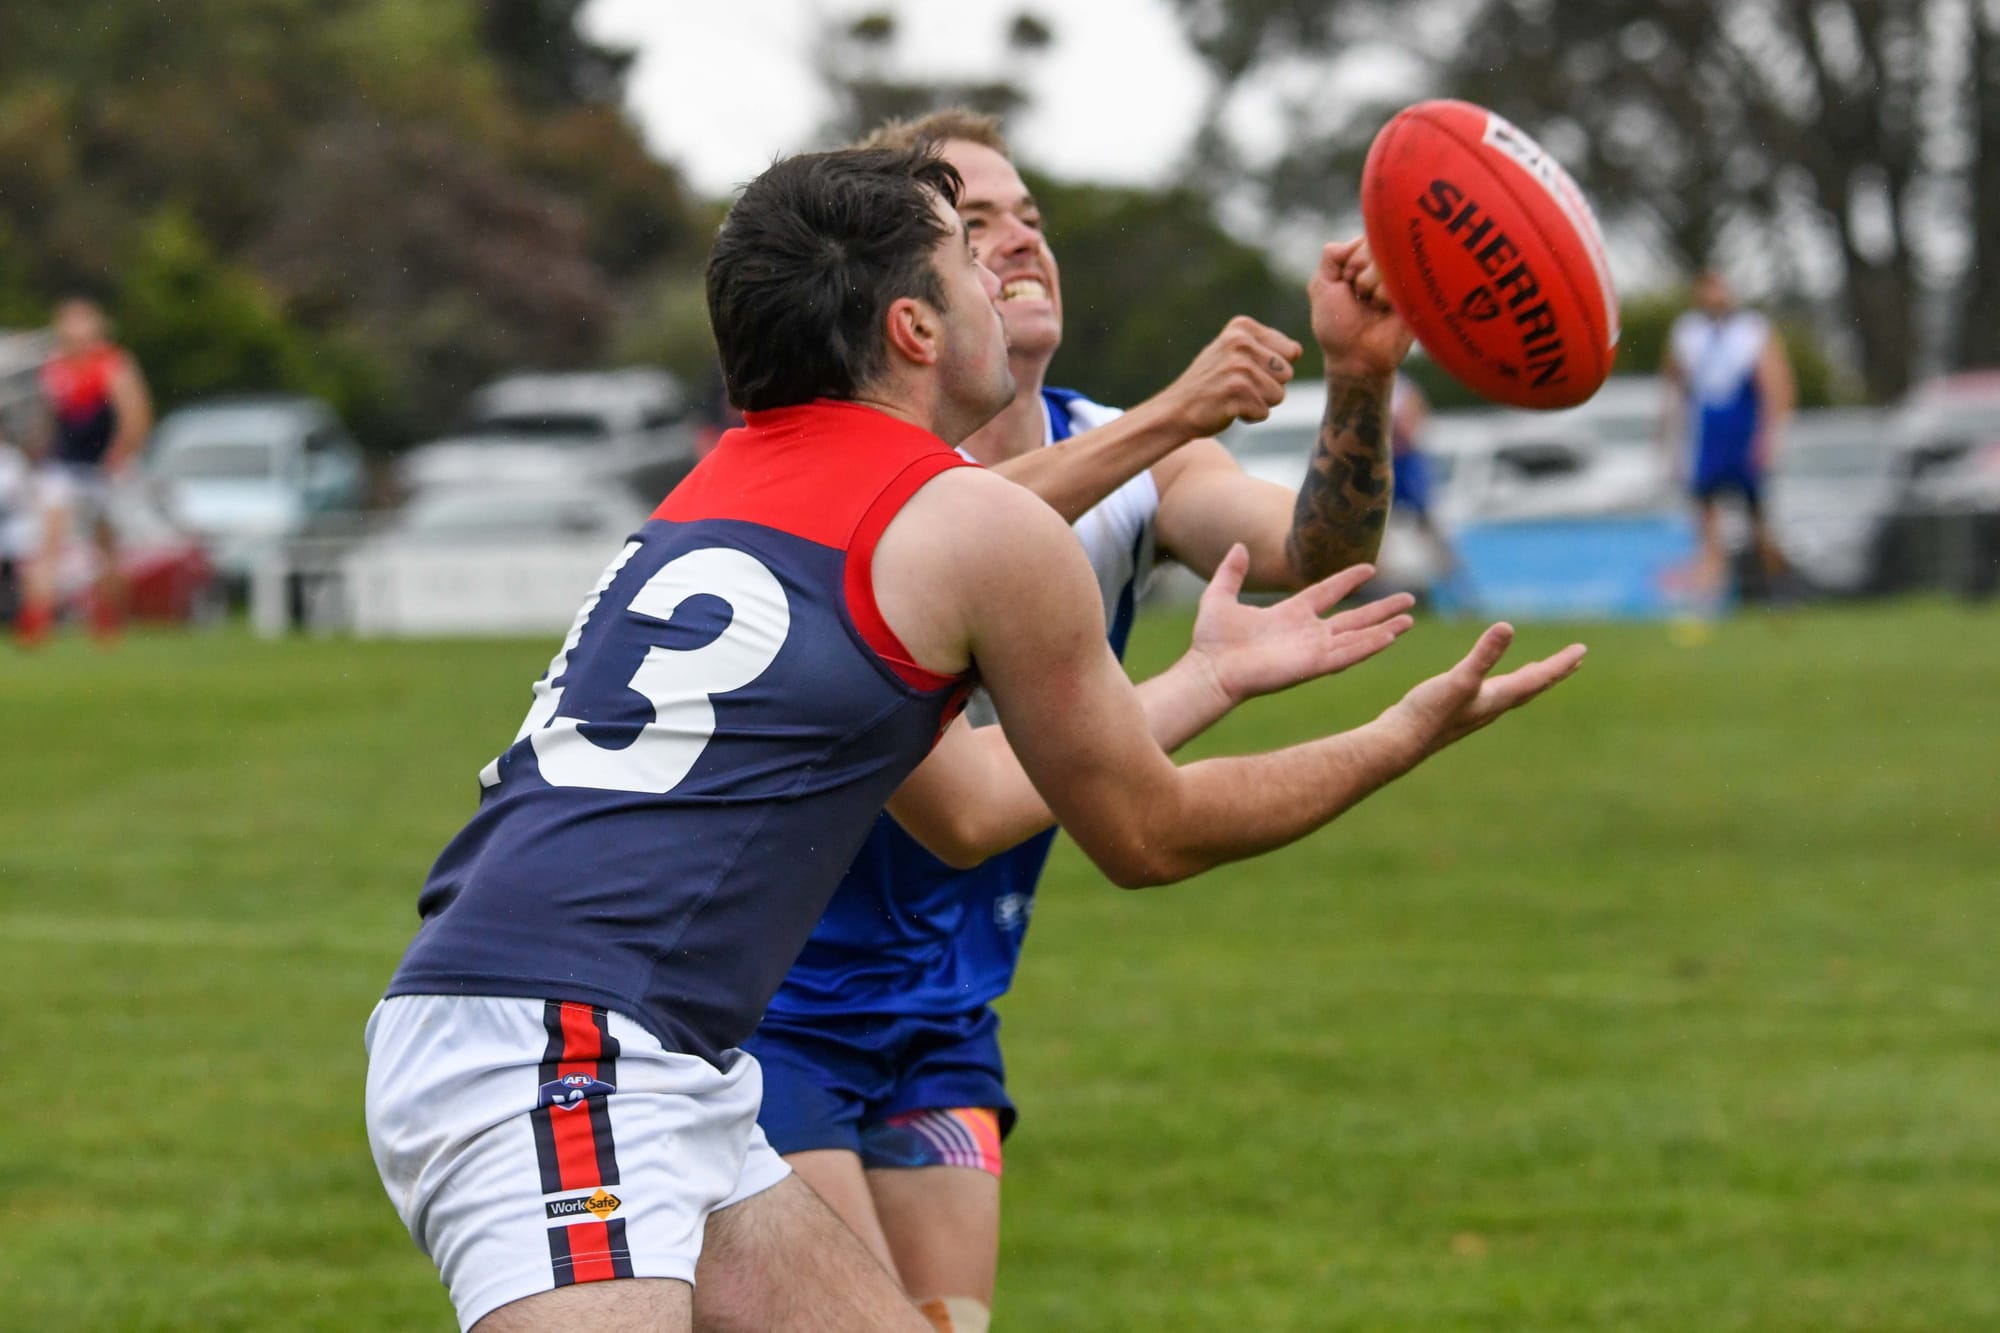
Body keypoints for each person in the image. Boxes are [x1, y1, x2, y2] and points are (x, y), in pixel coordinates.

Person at [364, 144, 1584, 1333]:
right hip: (561, 1050)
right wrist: (1398, 735)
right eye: (965, 253)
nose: (1004, 271)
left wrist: (1205, 674)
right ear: (913, 329)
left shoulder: (724, 492)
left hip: (643, 1053)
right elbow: (1148, 834)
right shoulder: (972, 529)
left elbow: (965, 805)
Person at [740, 110, 1448, 1333]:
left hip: (943, 1011)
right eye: (974, 227)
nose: (1019, 243)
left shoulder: (1113, 450)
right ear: (909, 292)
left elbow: (1308, 547)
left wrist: (1363, 375)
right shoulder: (854, 475)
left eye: (1030, 216)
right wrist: (1171, 414)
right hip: (768, 1011)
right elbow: (927, 532)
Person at [1661, 269, 1795, 603]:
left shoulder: (1752, 330)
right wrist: (1669, 442)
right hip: (1707, 432)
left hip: (1742, 429)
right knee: (1706, 521)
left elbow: (1775, 386)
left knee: (1758, 519)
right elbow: (1673, 389)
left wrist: (1770, 437)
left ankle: (1779, 592)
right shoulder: (1688, 331)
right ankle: (1710, 597)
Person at [25, 298, 152, 643]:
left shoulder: (113, 365)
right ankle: (37, 619)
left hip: (102, 469)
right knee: (50, 539)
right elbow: (47, 419)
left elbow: (136, 414)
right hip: (62, 467)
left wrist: (122, 453)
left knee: (106, 546)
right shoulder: (54, 367)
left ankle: (108, 618)